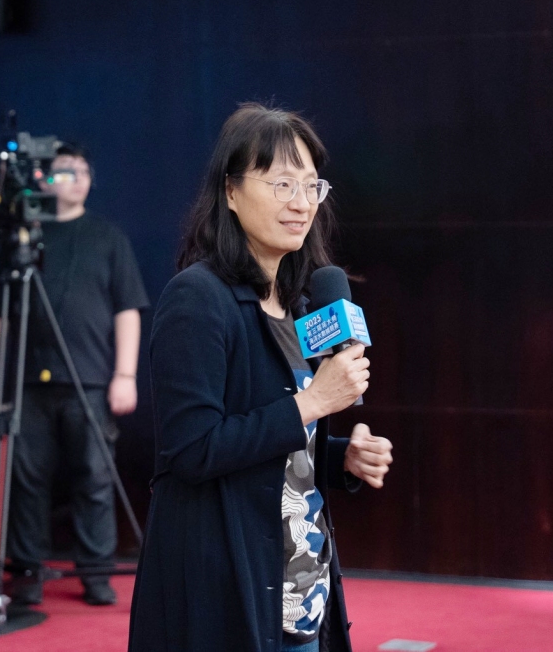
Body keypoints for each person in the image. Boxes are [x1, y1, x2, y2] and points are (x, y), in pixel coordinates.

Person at [128, 104, 394, 652]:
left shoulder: (298, 307)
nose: (301, 203)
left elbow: (278, 448)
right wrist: (312, 403)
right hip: (227, 590)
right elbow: (193, 450)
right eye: (281, 184)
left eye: (311, 186)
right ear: (230, 191)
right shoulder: (197, 298)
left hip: (301, 591)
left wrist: (339, 456)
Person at [0, 142, 149, 606]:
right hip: (27, 380)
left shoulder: (108, 238)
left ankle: (96, 573)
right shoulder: (23, 238)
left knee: (94, 478)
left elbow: (128, 309)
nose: (78, 177)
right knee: (27, 480)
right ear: (45, 179)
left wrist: (125, 374)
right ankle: (27, 572)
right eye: (67, 169)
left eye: (84, 170)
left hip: (89, 379)